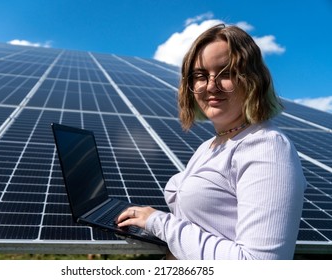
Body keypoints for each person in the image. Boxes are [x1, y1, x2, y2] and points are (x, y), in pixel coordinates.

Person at [116, 24, 307, 260]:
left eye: (226, 73)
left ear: (253, 79)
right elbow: (206, 228)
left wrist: (158, 222)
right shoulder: (209, 146)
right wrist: (146, 224)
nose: (211, 86)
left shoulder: (267, 148)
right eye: (200, 76)